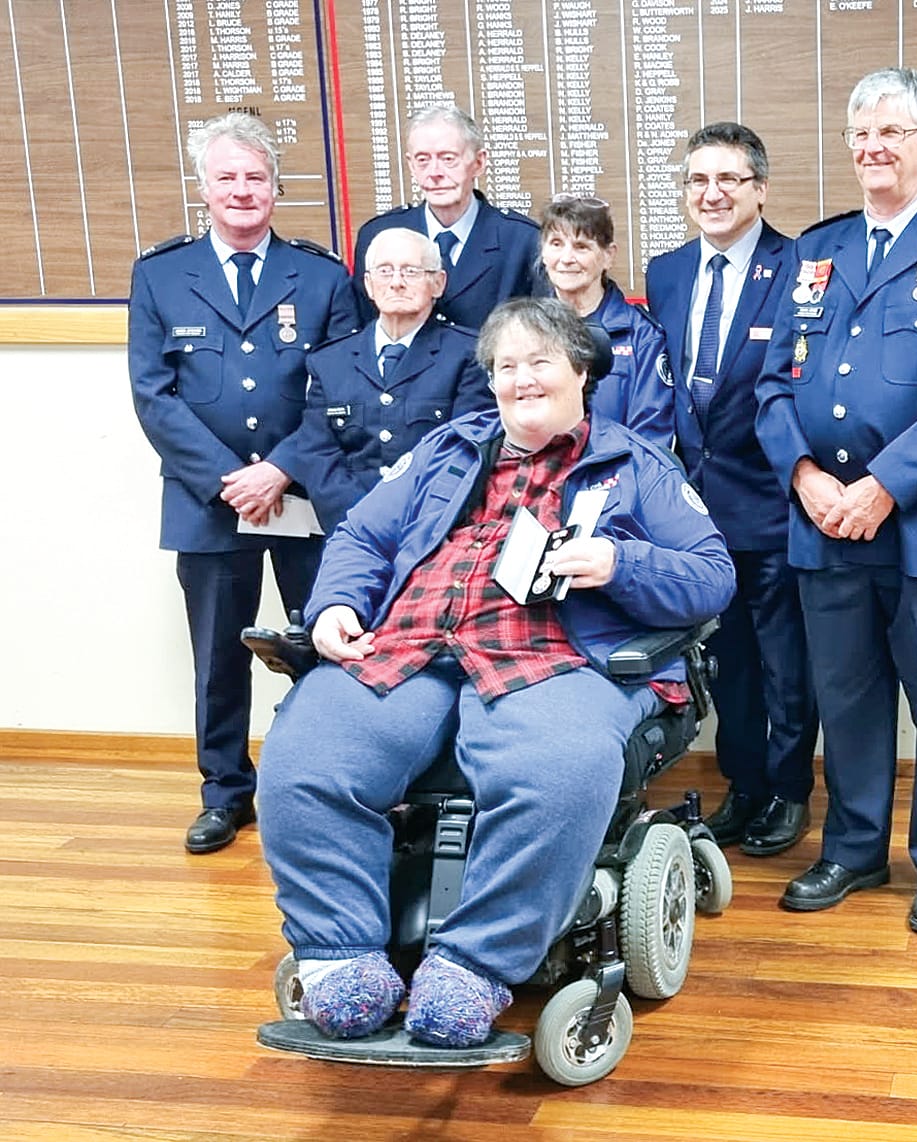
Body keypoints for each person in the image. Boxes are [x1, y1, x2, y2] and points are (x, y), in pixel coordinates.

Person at [256, 297, 734, 1048]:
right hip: (409, 645)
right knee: (303, 760)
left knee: (557, 769)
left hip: (550, 659)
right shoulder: (445, 449)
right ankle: (341, 955)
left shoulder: (638, 464)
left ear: (582, 370)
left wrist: (620, 561)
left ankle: (473, 966)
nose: (521, 379)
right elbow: (362, 535)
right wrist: (335, 605)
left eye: (539, 361)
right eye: (506, 366)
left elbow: (712, 577)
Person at [755, 67, 917, 934]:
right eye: (860, 134)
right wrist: (807, 479)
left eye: (891, 133)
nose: (872, 148)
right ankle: (856, 847)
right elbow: (770, 387)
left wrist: (882, 487)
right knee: (848, 691)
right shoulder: (814, 252)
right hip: (823, 517)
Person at [128, 112, 357, 855]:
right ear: (203, 188)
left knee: (322, 643)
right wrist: (232, 482)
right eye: (227, 176)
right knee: (218, 655)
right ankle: (226, 794)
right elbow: (152, 395)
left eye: (255, 177)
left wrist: (280, 469)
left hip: (302, 493)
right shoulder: (160, 275)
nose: (242, 190)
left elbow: (342, 389)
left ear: (276, 187)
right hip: (210, 501)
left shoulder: (322, 277)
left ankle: (326, 783)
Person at [645, 123, 818, 856]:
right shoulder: (668, 272)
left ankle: (787, 792)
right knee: (730, 664)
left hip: (776, 501)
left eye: (729, 180)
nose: (711, 194)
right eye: (697, 182)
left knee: (787, 665)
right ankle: (744, 788)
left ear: (760, 189)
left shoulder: (804, 264)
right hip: (699, 512)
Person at [284, 227, 492, 533]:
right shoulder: (329, 362)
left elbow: (466, 450)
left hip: (435, 531)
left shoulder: (469, 354)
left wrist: (415, 522)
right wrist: (362, 520)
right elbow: (318, 455)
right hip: (352, 530)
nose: (396, 282)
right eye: (385, 271)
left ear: (438, 282)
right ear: (368, 284)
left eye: (411, 271)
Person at [351, 104, 540, 331]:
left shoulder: (522, 240)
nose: (435, 173)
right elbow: (366, 332)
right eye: (423, 160)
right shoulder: (380, 235)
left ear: (479, 163)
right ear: (411, 165)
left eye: (448, 159)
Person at [538, 195, 675, 449]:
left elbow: (651, 440)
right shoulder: (525, 333)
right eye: (556, 243)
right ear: (543, 252)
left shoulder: (641, 336)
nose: (566, 258)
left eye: (581, 247)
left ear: (608, 256)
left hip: (617, 481)